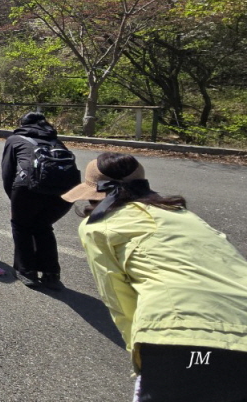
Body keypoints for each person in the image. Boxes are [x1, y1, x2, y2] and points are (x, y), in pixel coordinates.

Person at [63, 153, 247, 402]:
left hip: (183, 337)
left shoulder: (97, 227)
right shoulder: (182, 214)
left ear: (94, 192)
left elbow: (118, 299)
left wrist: (138, 354)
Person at [0, 112, 73, 289]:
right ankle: (51, 274)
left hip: (28, 186)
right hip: (66, 191)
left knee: (21, 226)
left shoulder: (15, 139)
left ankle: (26, 271)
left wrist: (14, 198)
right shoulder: (56, 141)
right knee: (43, 226)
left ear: (23, 124)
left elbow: (8, 172)